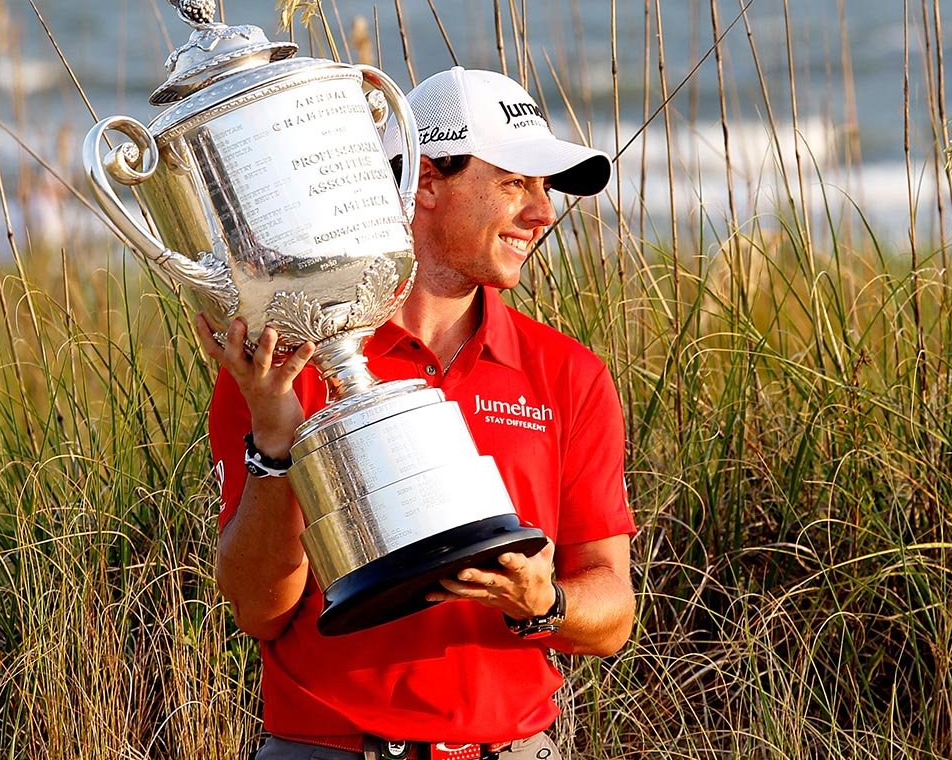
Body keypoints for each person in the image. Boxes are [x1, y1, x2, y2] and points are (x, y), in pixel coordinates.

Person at [194, 66, 636, 760]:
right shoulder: (287, 363)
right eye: (516, 183)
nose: (543, 214)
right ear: (426, 182)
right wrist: (277, 445)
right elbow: (258, 608)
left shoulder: (569, 376)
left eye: (545, 189)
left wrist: (543, 602)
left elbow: (612, 616)